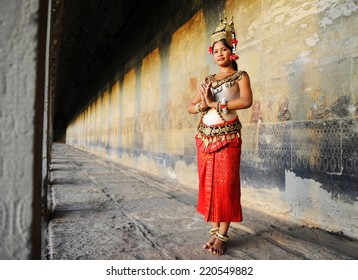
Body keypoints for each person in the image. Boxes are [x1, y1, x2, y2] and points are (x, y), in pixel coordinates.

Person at [187, 15, 253, 256]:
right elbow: (190, 106)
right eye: (215, 51)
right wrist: (202, 106)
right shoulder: (208, 80)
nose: (219, 54)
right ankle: (214, 234)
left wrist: (215, 104)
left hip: (228, 138)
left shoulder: (240, 76)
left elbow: (246, 101)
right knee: (209, 185)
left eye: (224, 49)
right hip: (205, 138)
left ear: (232, 51)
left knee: (226, 186)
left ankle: (223, 235)